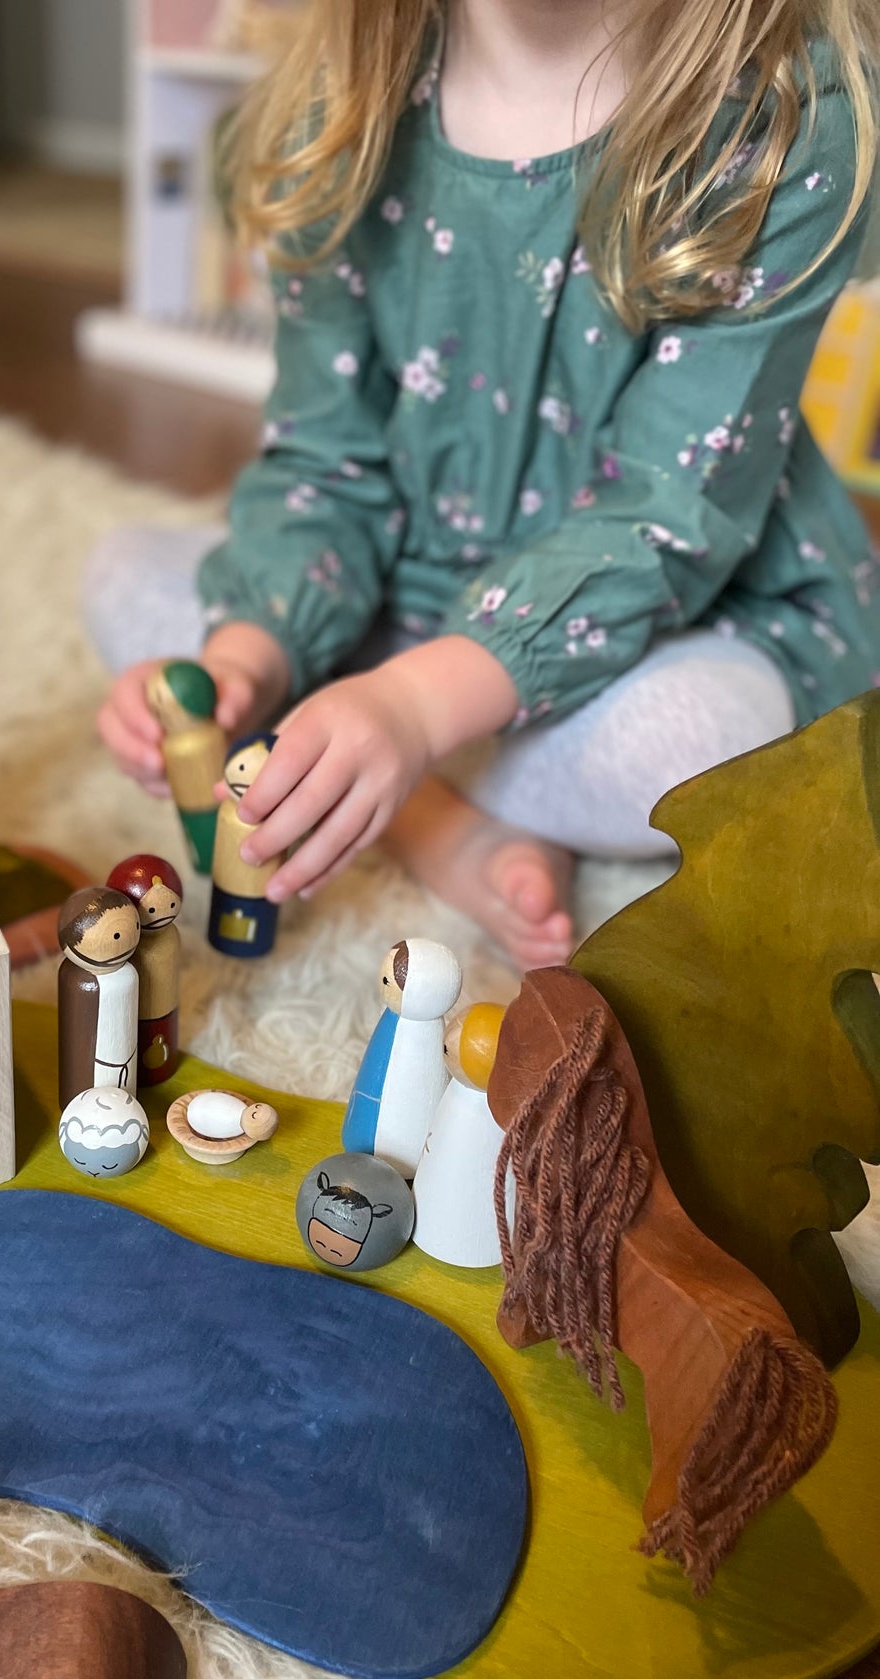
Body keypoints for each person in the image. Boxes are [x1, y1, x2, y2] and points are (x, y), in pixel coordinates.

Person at [88, 0, 880, 966]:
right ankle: (407, 796)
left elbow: (668, 517)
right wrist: (243, 660)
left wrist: (416, 708)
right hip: (402, 585)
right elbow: (324, 465)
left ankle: (384, 767)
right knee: (121, 576)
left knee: (707, 746)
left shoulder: (785, 112)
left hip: (657, 611)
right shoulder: (334, 100)